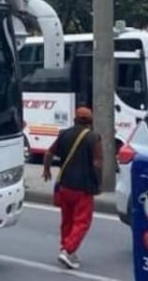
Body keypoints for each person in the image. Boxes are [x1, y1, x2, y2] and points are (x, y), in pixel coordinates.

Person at [42, 106, 103, 270]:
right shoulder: (93, 138)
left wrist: (46, 170)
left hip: (65, 186)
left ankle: (65, 247)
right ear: (90, 122)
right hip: (83, 188)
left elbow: (48, 153)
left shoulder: (64, 134)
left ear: (75, 119)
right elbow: (97, 163)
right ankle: (68, 251)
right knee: (82, 222)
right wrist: (99, 182)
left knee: (67, 220)